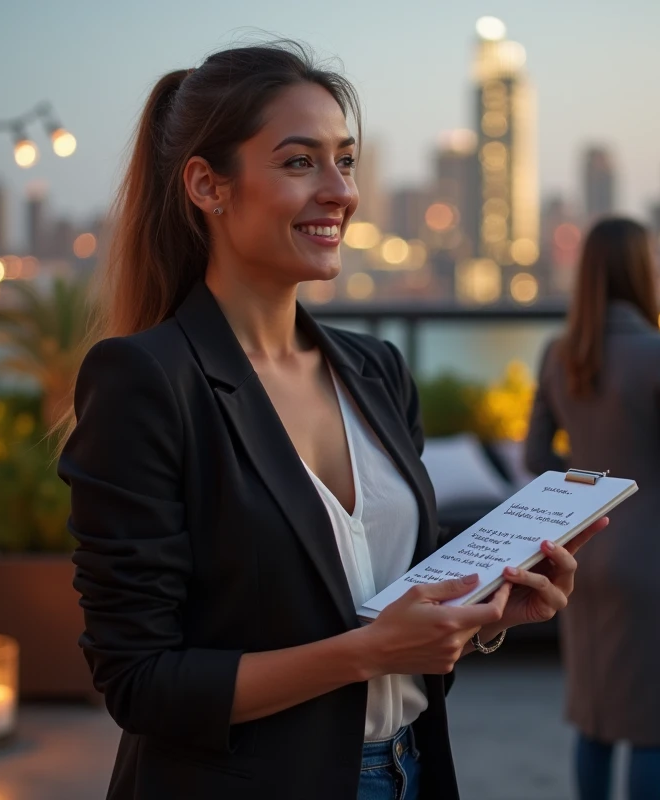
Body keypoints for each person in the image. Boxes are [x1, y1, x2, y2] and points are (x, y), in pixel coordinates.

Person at [55, 43, 607, 800]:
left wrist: (484, 609)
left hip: (411, 771)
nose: (340, 191)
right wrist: (366, 652)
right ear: (207, 184)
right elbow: (140, 681)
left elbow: (385, 588)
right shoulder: (146, 382)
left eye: (345, 160)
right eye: (299, 162)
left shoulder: (376, 370)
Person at [525, 217, 660, 800]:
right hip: (652, 552)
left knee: (595, 714)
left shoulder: (559, 353)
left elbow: (535, 455)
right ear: (642, 270)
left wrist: (584, 488)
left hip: (579, 551)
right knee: (650, 722)